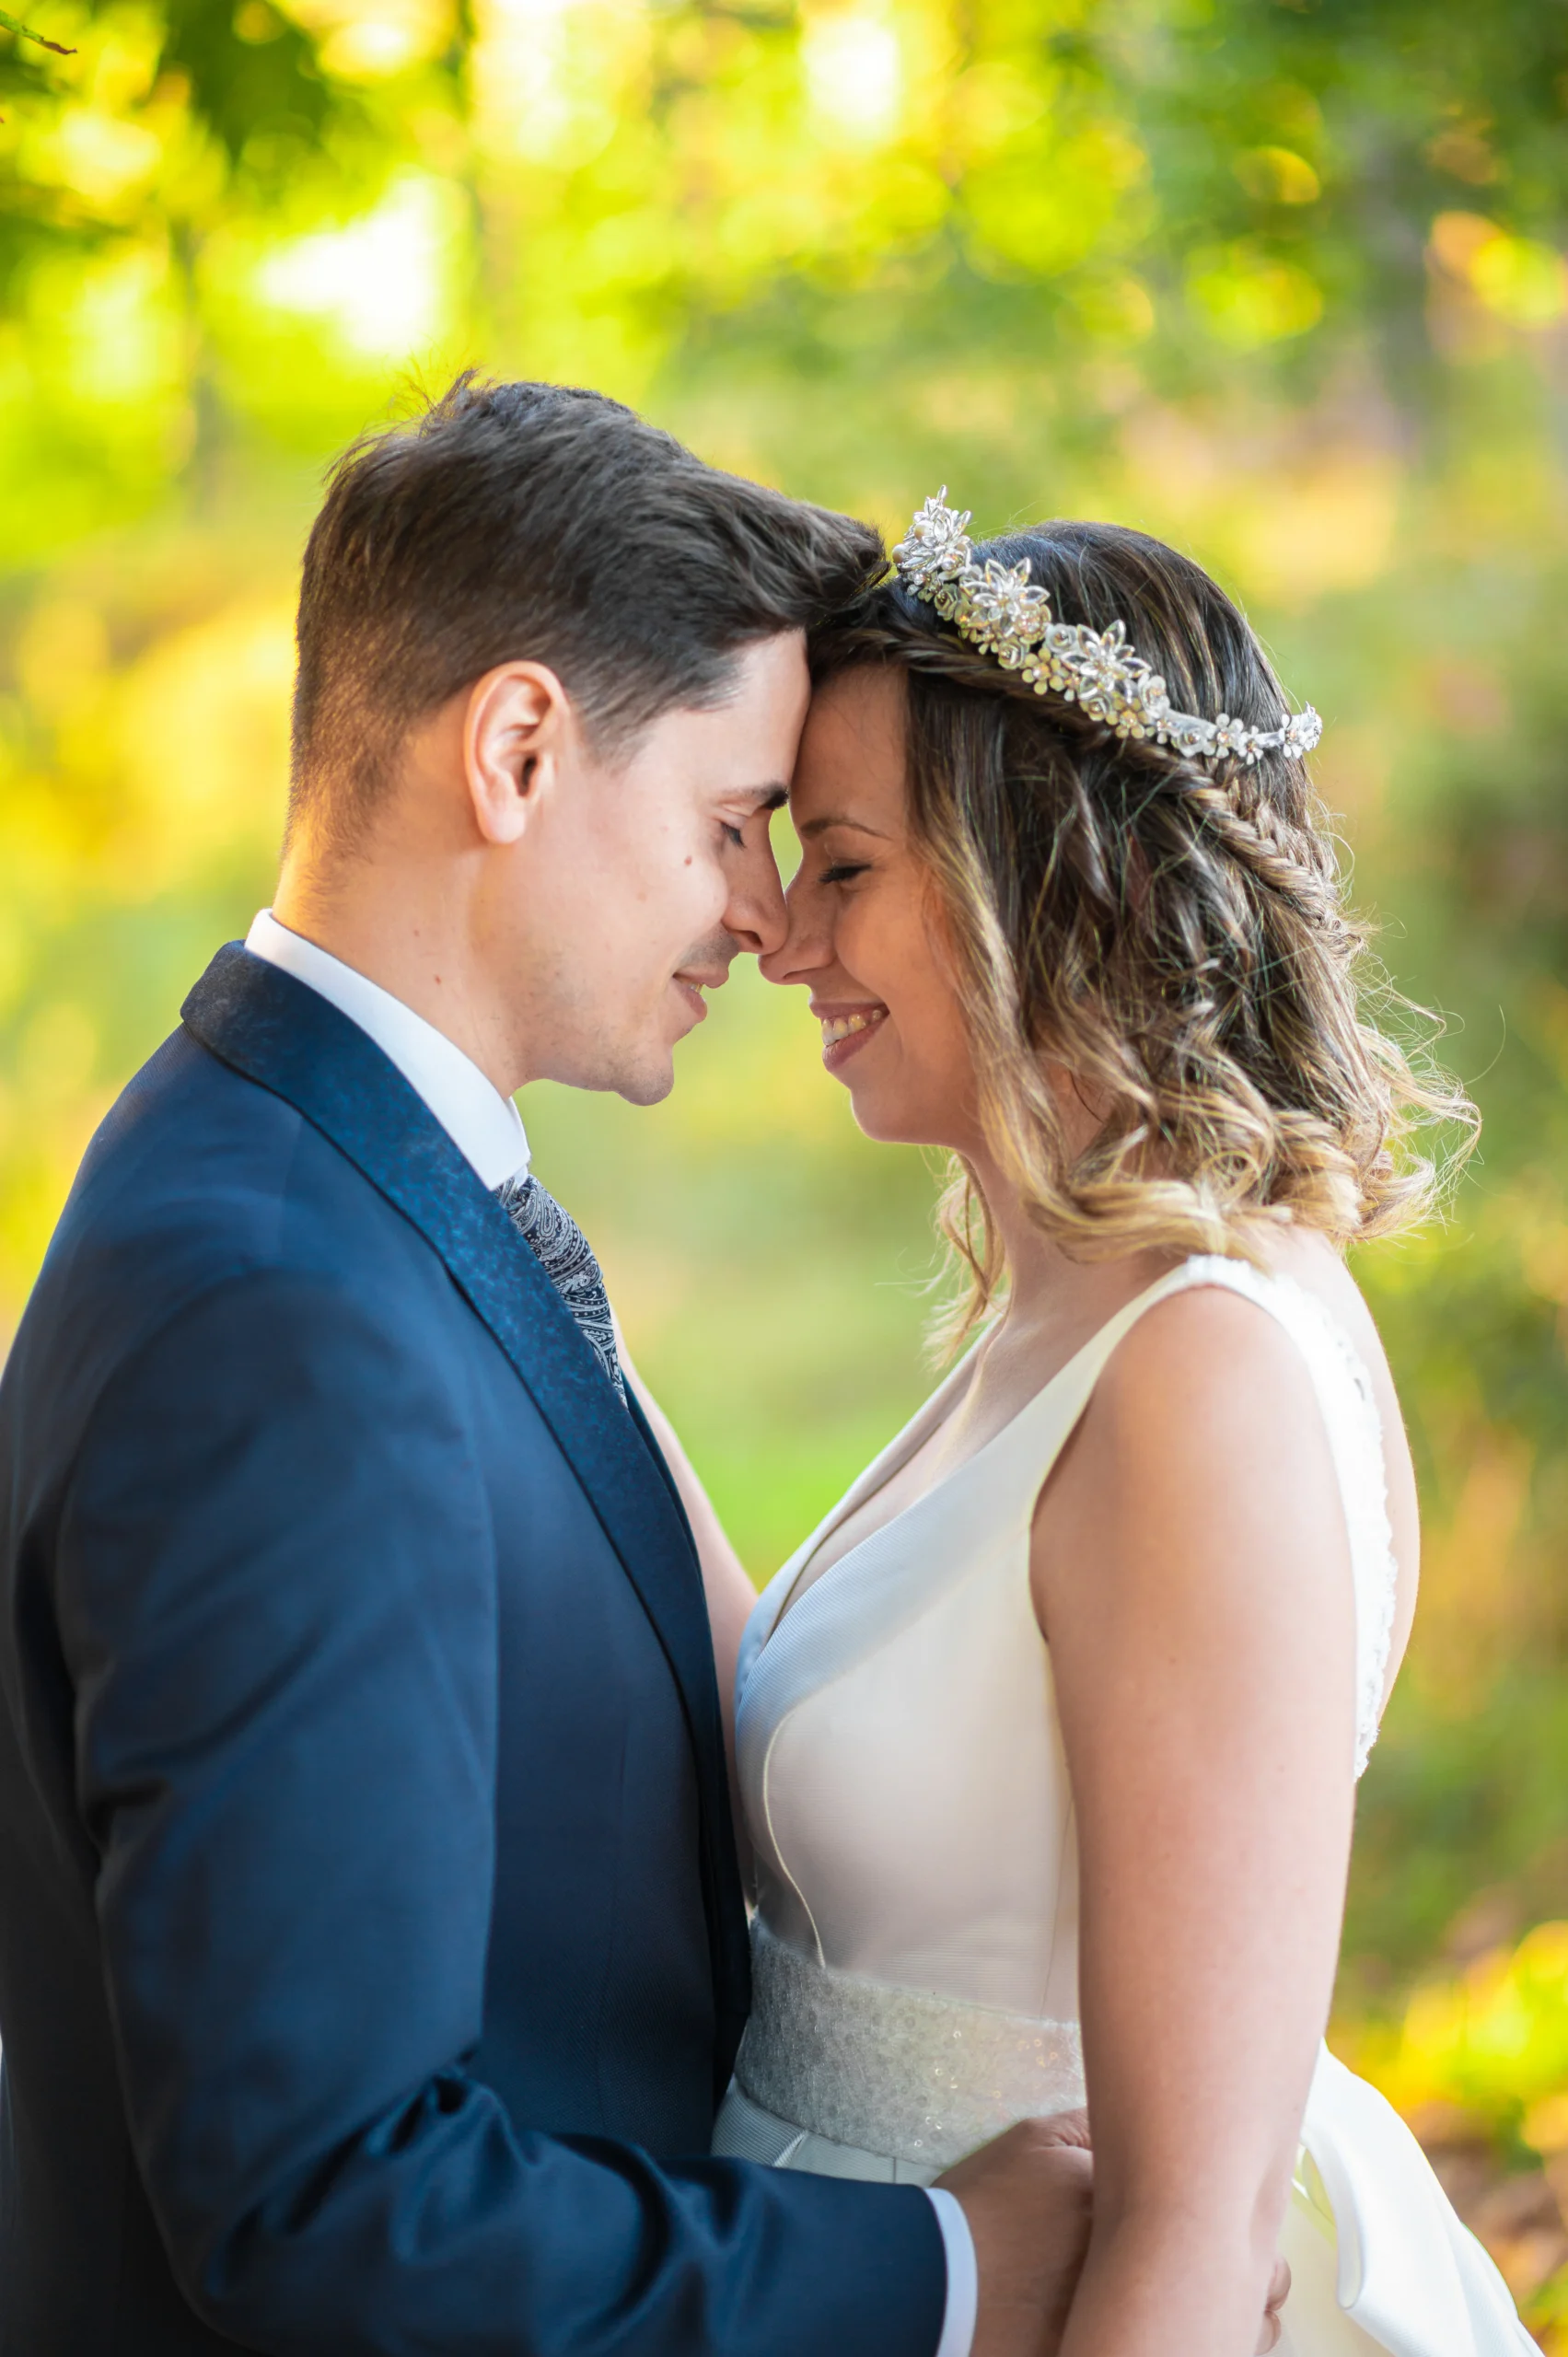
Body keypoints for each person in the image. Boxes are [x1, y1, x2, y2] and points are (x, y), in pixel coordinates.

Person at [0, 388, 1103, 2353]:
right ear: (517, 747)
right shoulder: (280, 1309)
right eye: (726, 821)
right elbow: (324, 2195)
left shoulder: (328, 1185)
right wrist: (937, 2269)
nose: (762, 914)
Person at [704, 493, 1539, 2357]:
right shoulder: (1065, 1304)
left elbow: (1191, 2226)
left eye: (840, 865)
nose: (780, 937)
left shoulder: (1197, 1375)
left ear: (1045, 875)